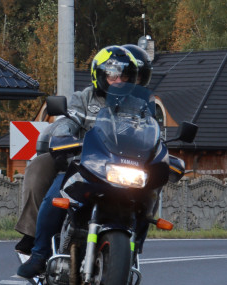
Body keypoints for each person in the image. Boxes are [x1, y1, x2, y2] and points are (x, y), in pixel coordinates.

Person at [12, 43, 154, 255]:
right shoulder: (84, 97)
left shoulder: (139, 104)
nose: (119, 81)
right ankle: (32, 234)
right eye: (113, 76)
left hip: (120, 164)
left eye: (125, 77)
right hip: (83, 161)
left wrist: (159, 152)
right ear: (100, 75)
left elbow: (150, 131)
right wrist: (62, 135)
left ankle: (135, 241)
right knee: (38, 166)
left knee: (153, 179)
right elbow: (69, 118)